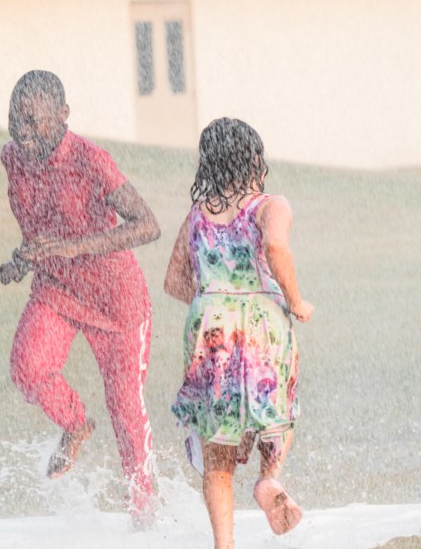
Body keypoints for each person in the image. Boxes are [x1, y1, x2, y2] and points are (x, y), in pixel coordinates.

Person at [0, 70, 161, 525]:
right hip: (57, 289)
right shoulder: (13, 159)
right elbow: (40, 222)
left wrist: (73, 247)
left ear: (64, 116)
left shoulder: (91, 159)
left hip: (116, 301)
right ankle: (74, 424)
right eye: (15, 120)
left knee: (126, 409)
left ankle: (144, 514)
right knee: (28, 367)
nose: (22, 133)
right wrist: (21, 260)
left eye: (33, 121)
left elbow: (148, 225)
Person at [164, 117, 313, 548]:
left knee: (218, 452)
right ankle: (269, 479)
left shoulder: (197, 214)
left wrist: (215, 300)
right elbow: (275, 246)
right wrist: (297, 300)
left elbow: (175, 281)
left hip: (211, 329)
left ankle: (224, 545)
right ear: (255, 159)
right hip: (262, 325)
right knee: (275, 414)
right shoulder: (271, 205)